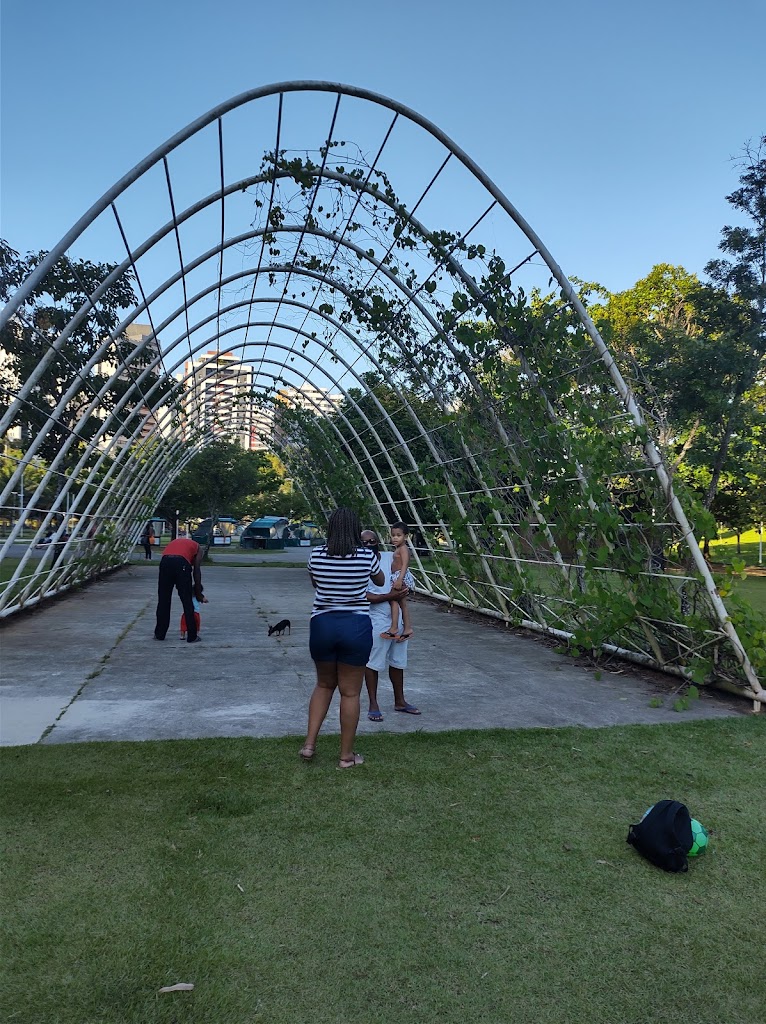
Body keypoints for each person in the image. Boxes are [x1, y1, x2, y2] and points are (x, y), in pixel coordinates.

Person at [300, 507, 384, 769]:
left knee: (323, 685)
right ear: (355, 529)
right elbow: (380, 581)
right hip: (355, 626)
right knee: (350, 693)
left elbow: (317, 584)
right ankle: (346, 756)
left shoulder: (316, 554)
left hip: (323, 624)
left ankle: (309, 745)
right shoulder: (366, 556)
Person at [362, 530, 421, 720]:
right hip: (377, 618)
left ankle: (400, 701)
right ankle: (373, 703)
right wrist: (390, 596)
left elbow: (403, 569)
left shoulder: (389, 556)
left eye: (373, 541)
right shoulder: (358, 563)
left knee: (398, 660)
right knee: (373, 661)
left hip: (397, 617)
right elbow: (363, 596)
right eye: (365, 542)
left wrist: (402, 589)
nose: (369, 544)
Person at [154, 534, 204, 643]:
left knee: (163, 599)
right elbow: (196, 571)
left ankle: (160, 634)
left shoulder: (176, 542)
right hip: (181, 564)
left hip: (165, 562)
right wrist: (198, 592)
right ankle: (192, 636)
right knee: (186, 600)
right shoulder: (199, 548)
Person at [379, 521, 415, 641]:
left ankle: (394, 628)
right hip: (397, 576)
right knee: (401, 603)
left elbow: (405, 564)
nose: (395, 538)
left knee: (393, 600)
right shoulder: (399, 548)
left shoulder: (403, 549)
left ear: (405, 536)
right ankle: (407, 628)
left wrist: (399, 579)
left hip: (400, 576)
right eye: (393, 535)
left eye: (398, 535)